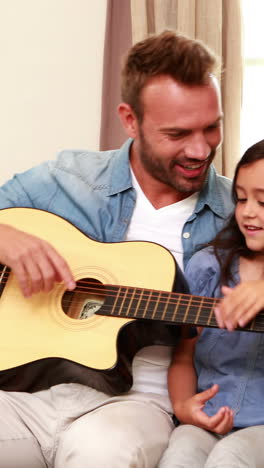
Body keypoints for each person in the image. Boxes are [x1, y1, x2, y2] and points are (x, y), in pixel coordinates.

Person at [0, 31, 233, 468]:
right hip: (24, 396)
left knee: (102, 455)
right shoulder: (68, 178)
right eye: (178, 133)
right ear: (130, 119)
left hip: (133, 407)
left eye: (212, 127)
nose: (201, 149)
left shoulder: (240, 214)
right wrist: (4, 237)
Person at [158, 139, 264, 468]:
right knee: (180, 455)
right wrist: (183, 407)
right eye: (241, 198)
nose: (248, 211)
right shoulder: (207, 266)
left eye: (263, 201)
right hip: (208, 418)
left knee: (229, 459)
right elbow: (183, 356)